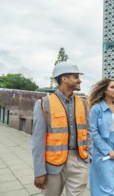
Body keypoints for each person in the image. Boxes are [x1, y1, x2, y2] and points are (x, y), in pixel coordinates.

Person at [32, 62, 91, 196]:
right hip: (53, 165)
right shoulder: (43, 103)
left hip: (79, 160)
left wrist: (89, 156)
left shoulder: (83, 103)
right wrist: (39, 171)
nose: (79, 80)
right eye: (75, 77)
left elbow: (89, 131)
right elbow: (38, 140)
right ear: (64, 79)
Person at [88, 78, 114, 196]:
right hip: (103, 150)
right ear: (105, 91)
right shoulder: (96, 108)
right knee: (107, 186)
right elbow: (93, 132)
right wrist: (107, 150)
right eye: (112, 87)